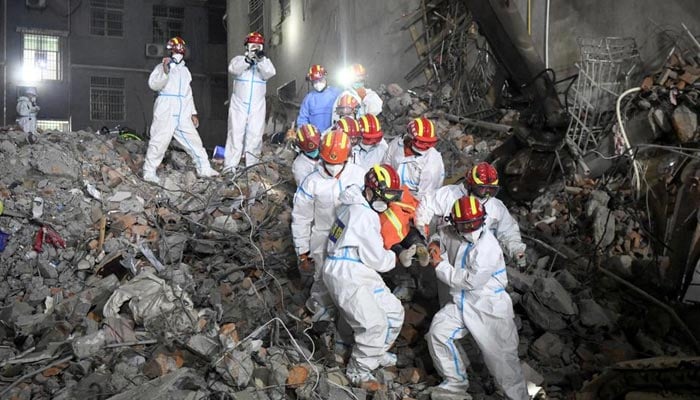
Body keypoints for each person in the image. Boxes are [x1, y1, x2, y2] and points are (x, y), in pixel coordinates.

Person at [425, 195, 528, 400]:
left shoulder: (487, 247)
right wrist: (434, 244)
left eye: (474, 223)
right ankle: (455, 385)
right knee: (438, 332)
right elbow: (440, 235)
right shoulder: (453, 231)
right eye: (465, 224)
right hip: (462, 302)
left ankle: (518, 397)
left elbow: (470, 282)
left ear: (483, 220)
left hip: (488, 305)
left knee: (502, 359)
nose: (471, 228)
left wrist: (440, 265)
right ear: (455, 223)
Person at [322, 165, 404, 388]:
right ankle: (359, 370)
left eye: (390, 198)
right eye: (384, 197)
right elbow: (377, 259)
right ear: (370, 190)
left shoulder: (353, 205)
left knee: (395, 313)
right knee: (374, 324)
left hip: (357, 267)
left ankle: (375, 354)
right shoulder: (363, 214)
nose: (386, 204)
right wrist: (397, 257)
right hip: (346, 273)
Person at [291, 130, 366, 322]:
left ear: (348, 157)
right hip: (323, 238)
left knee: (352, 280)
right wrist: (302, 250)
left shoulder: (359, 176)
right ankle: (321, 314)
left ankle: (348, 317)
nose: (333, 166)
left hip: (352, 237)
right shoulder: (311, 182)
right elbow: (301, 217)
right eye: (330, 162)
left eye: (338, 162)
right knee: (322, 278)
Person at [416, 162, 527, 269]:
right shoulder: (449, 194)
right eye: (482, 188)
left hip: (476, 260)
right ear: (470, 185)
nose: (487, 193)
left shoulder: (496, 207)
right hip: (445, 251)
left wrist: (517, 250)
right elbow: (426, 207)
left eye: (491, 189)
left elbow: (508, 231)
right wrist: (421, 232)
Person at [143, 36, 219, 184]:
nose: (177, 55)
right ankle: (149, 171)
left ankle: (204, 168)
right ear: (169, 52)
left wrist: (193, 112)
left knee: (194, 140)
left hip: (183, 108)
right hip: (166, 106)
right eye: (175, 52)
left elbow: (188, 93)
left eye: (180, 52)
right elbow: (154, 85)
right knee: (160, 140)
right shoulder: (161, 68)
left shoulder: (185, 71)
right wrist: (165, 71)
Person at [223, 32, 276, 175]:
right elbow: (233, 68)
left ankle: (251, 167)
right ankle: (230, 167)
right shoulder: (239, 60)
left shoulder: (264, 63)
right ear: (247, 46)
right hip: (239, 104)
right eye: (252, 45)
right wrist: (247, 60)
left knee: (255, 135)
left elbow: (270, 72)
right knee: (235, 133)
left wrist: (260, 60)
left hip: (257, 105)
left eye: (258, 46)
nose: (255, 48)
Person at [383, 117, 444, 201]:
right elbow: (385, 167)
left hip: (413, 201)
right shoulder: (396, 144)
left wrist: (399, 197)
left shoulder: (432, 163)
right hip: (389, 190)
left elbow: (425, 198)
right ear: (409, 137)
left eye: (427, 142)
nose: (424, 146)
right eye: (420, 141)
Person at [297, 64, 342, 132]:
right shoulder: (308, 98)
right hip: (315, 138)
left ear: (325, 77)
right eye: (315, 81)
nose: (318, 83)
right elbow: (302, 120)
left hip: (334, 136)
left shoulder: (337, 93)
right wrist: (307, 132)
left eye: (320, 80)